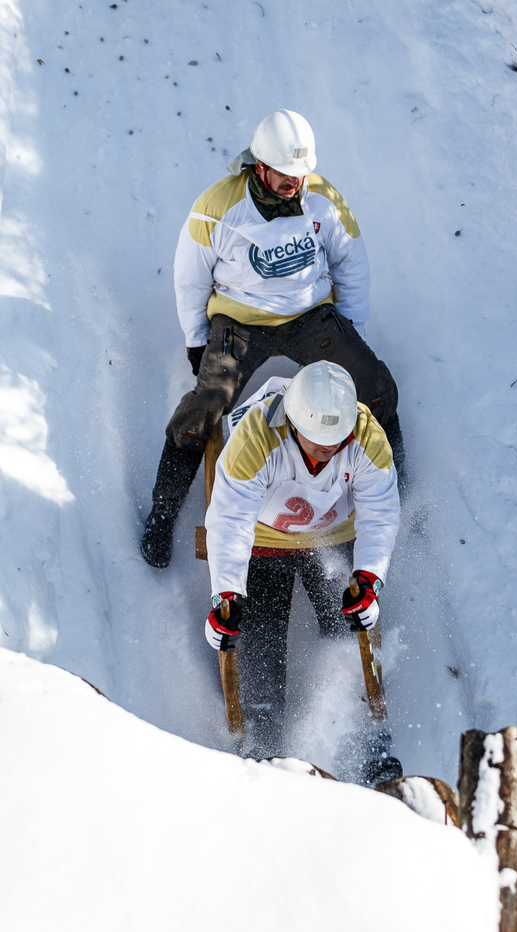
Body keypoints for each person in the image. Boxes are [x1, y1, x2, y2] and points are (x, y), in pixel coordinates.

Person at [141, 108, 405, 568]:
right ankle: (162, 516)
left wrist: (353, 337)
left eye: (301, 174)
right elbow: (189, 278)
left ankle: (400, 489)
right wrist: (197, 339)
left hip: (310, 314)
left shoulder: (323, 198)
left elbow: (351, 263)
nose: (295, 184)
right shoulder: (218, 207)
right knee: (207, 405)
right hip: (239, 321)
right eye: (285, 175)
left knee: (376, 389)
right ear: (259, 166)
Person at [204, 361, 400, 779]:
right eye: (318, 442)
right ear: (293, 424)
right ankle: (262, 743)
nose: (328, 450)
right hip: (264, 540)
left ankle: (367, 736)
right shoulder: (256, 439)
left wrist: (368, 577)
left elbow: (380, 514)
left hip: (332, 535)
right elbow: (229, 522)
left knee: (351, 624)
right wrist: (226, 594)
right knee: (260, 633)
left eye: (336, 441)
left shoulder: (366, 438)